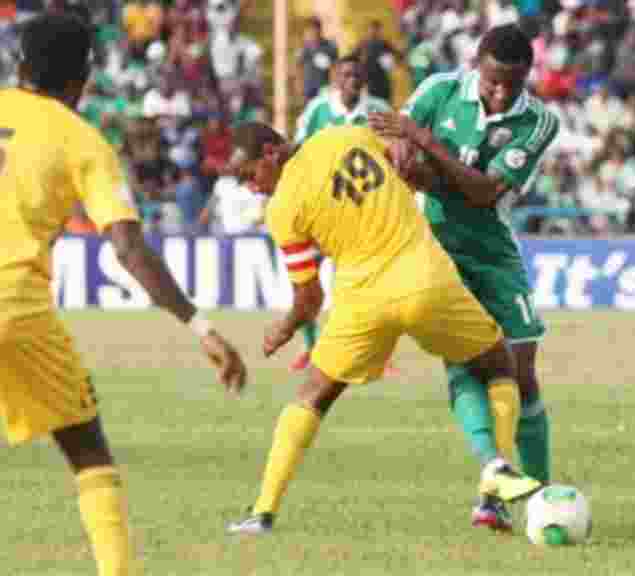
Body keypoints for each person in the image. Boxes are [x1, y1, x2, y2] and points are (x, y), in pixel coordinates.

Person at [0, 14, 247, 576]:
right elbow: (129, 248)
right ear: (83, 77)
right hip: (16, 305)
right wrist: (201, 327)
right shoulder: (80, 139)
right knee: (87, 450)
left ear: (20, 66)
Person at [225, 122, 542, 534]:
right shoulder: (344, 136)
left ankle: (263, 512)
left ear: (271, 152)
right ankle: (494, 484)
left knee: (313, 394)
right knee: (499, 364)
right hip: (425, 280)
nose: (252, 188)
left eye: (249, 175)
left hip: (362, 303)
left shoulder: (282, 210)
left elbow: (309, 299)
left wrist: (284, 328)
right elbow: (405, 156)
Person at [369, 23, 559, 531]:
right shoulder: (440, 89)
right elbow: (395, 143)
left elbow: (483, 193)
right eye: (493, 82)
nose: (500, 94)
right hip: (437, 252)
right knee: (468, 366)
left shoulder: (539, 121)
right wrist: (405, 149)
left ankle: (541, 494)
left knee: (522, 374)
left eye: (512, 85)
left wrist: (424, 143)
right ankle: (493, 495)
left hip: (494, 252)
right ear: (477, 64)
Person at [289, 51, 392, 373]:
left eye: (357, 75)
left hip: (364, 211)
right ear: (334, 78)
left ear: (364, 80)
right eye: (346, 75)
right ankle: (311, 347)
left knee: (366, 286)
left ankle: (374, 353)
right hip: (321, 211)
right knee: (305, 280)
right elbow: (297, 152)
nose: (352, 81)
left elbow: (396, 152)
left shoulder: (378, 111)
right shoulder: (318, 110)